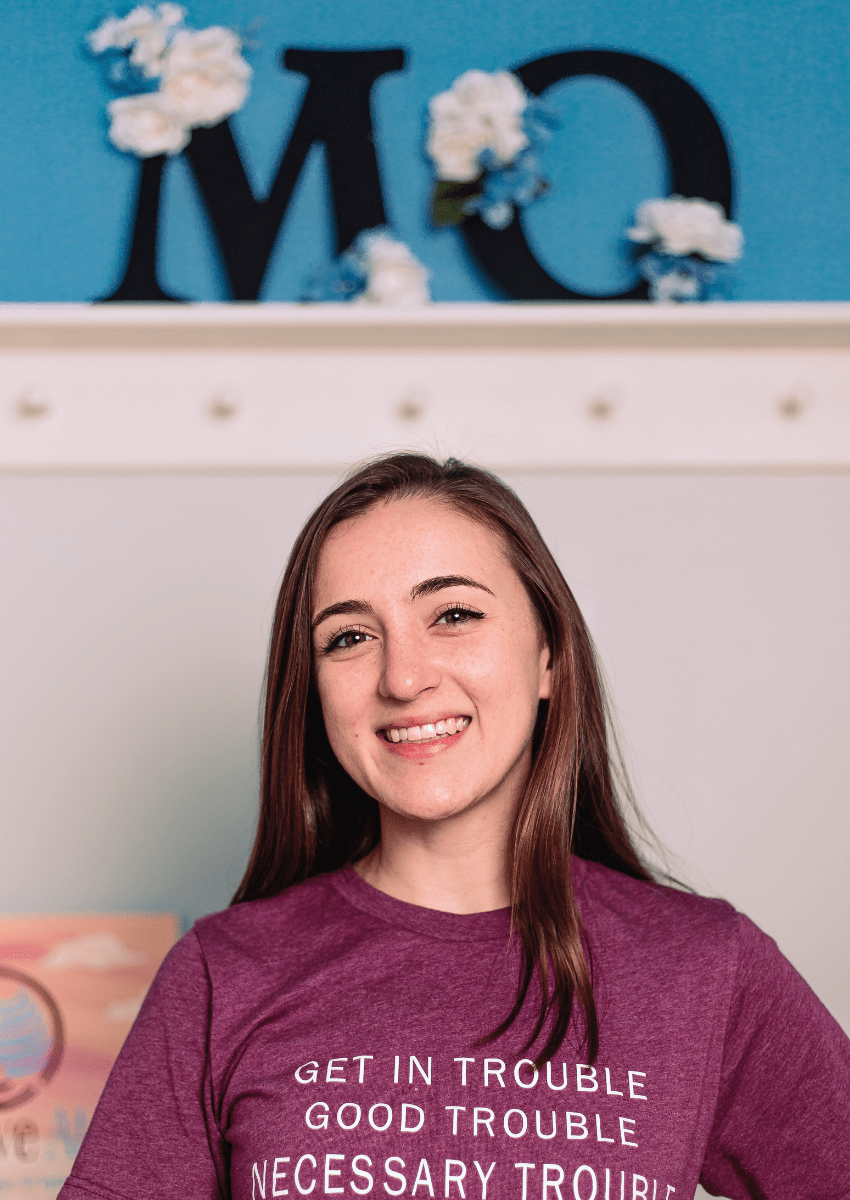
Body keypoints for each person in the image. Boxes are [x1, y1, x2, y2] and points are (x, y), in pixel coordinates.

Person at [60, 454, 849, 1200]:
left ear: (549, 657)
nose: (404, 678)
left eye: (454, 615)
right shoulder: (219, 975)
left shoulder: (706, 968)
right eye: (350, 637)